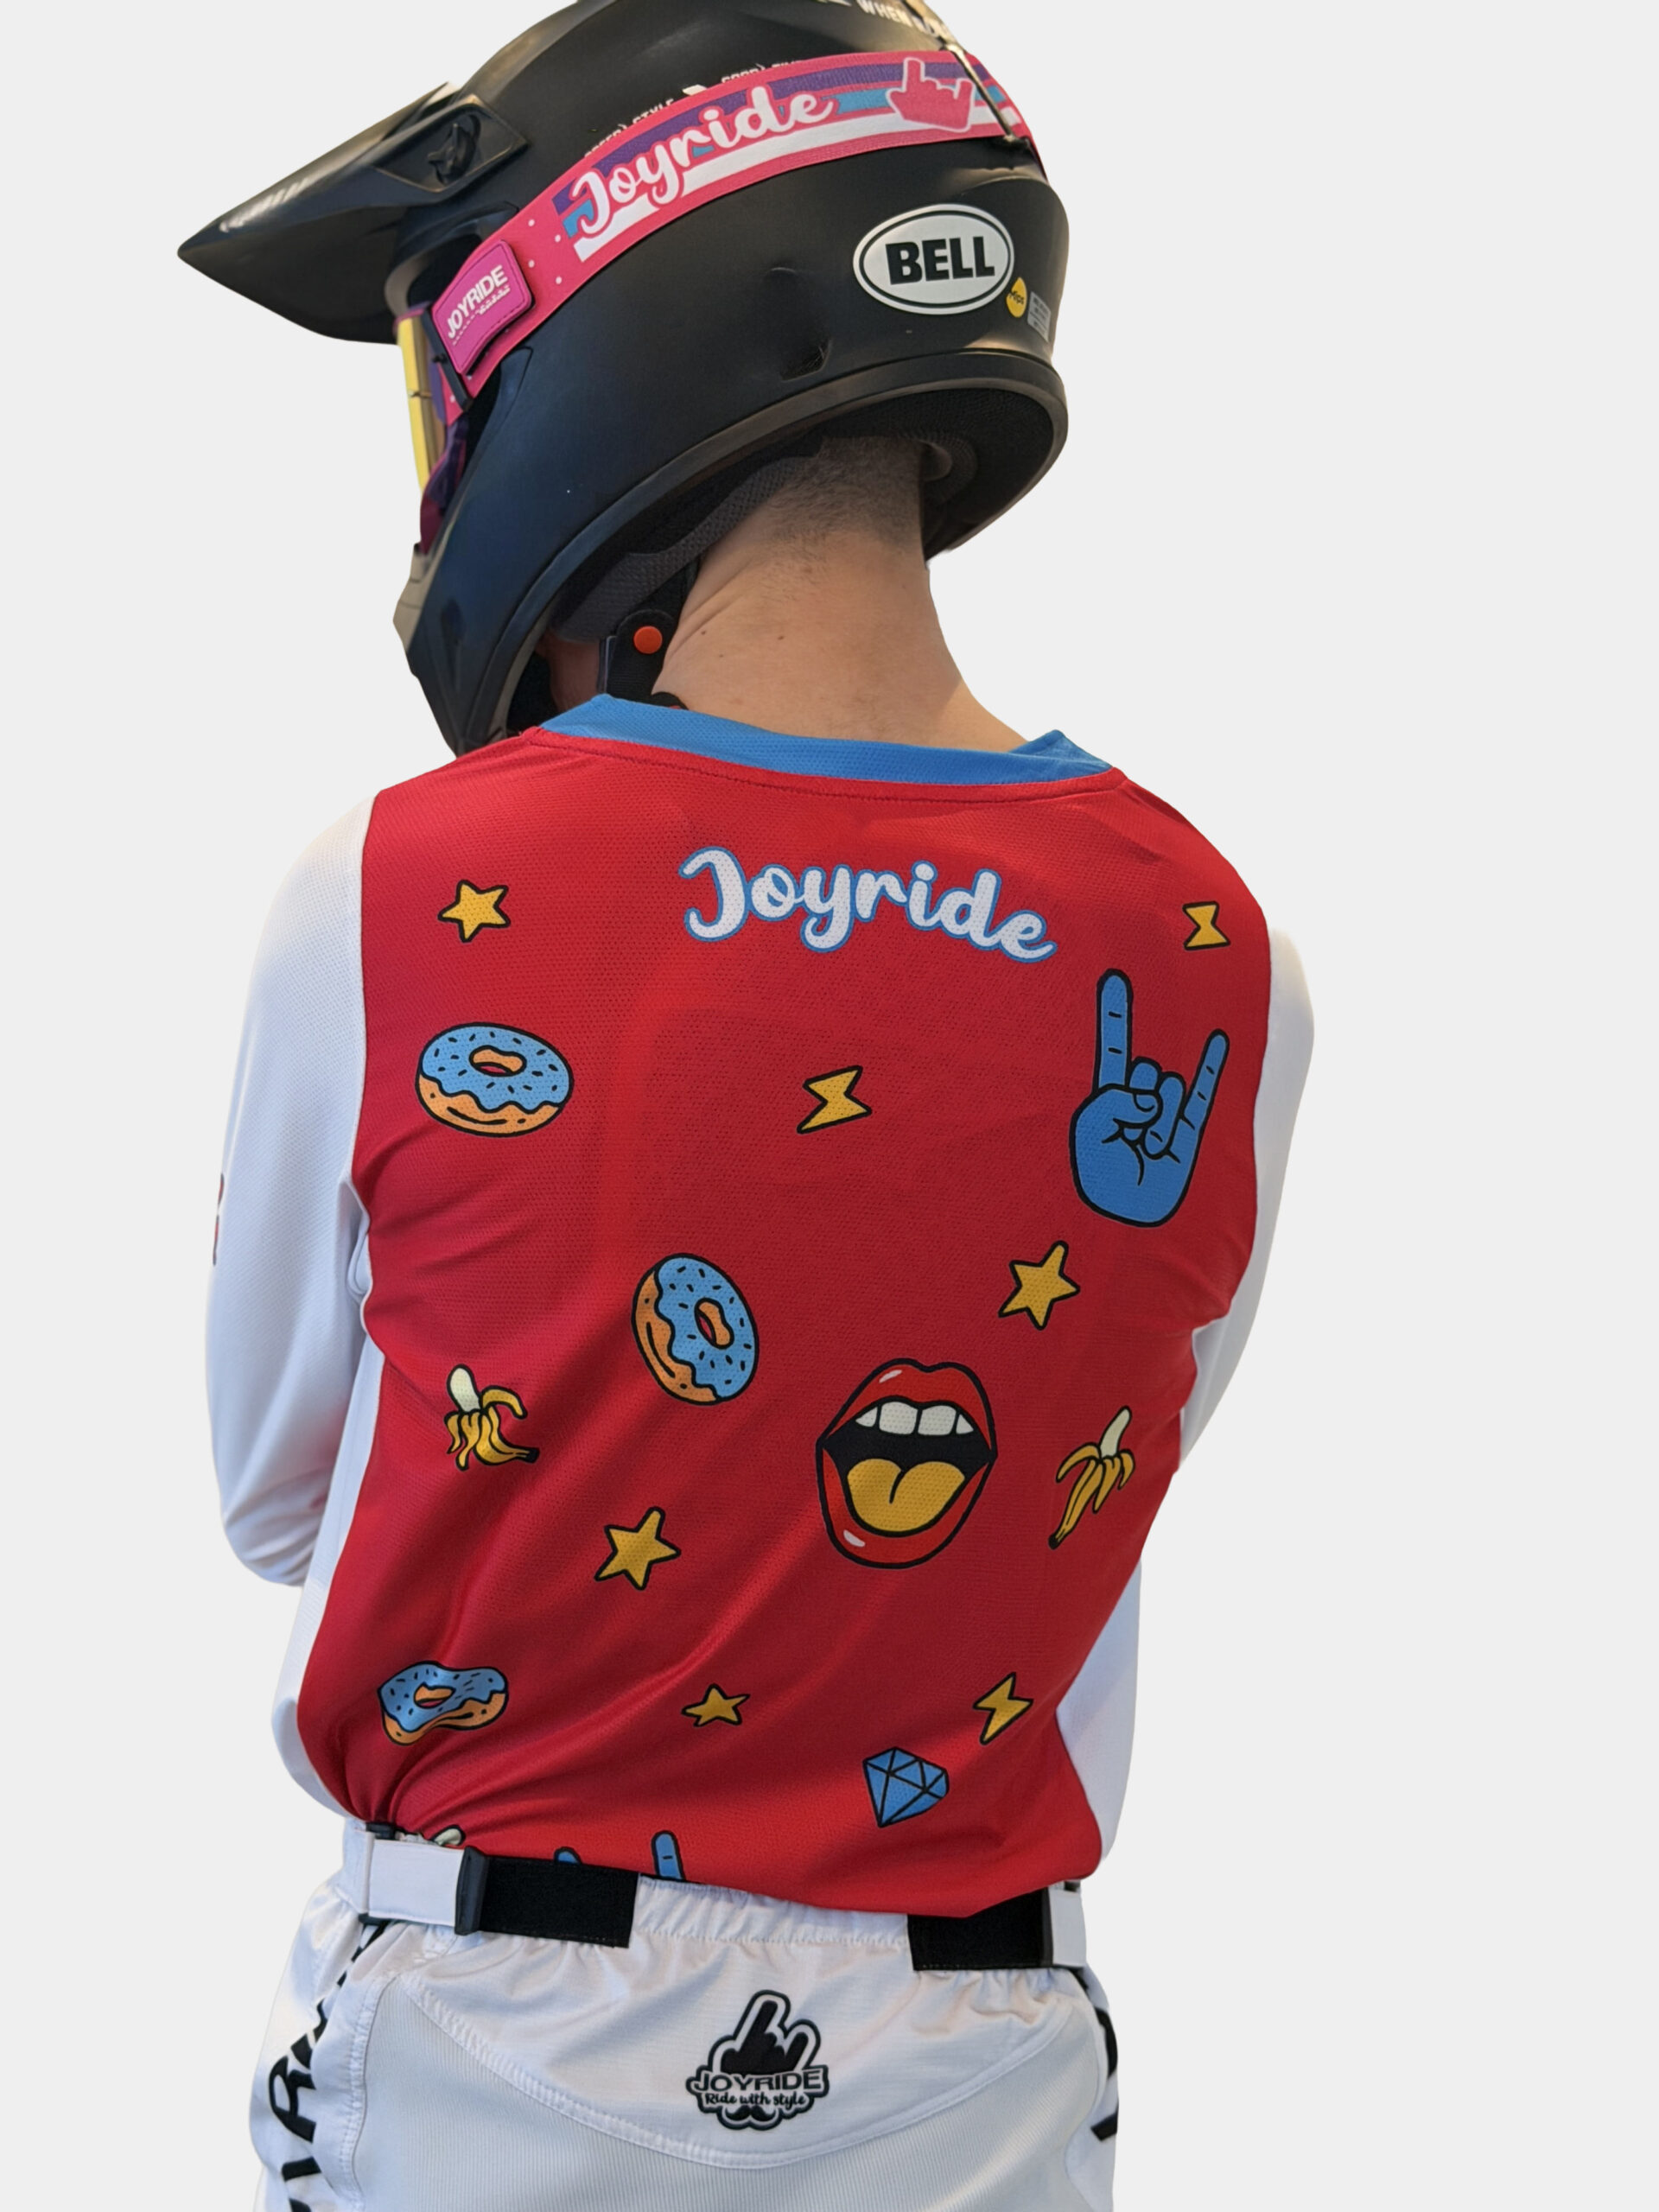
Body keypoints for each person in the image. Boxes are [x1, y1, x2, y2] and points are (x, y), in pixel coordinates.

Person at [188, 6, 1313, 2206]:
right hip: (980, 2067)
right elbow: (1085, 1483)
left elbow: (276, 1496)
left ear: (605, 313)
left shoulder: (399, 888)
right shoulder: (1216, 949)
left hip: (500, 2038)